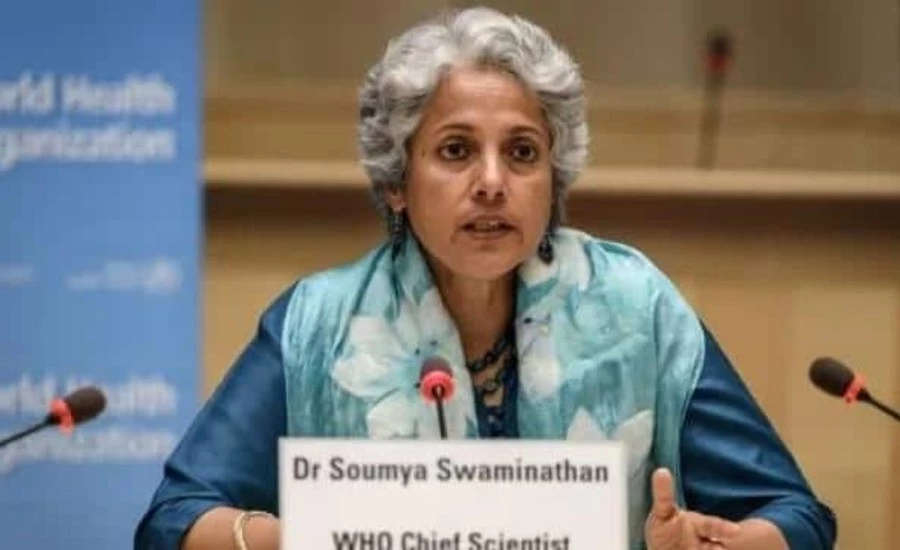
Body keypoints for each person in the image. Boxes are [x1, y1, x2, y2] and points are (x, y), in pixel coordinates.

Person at [135, 6, 836, 550]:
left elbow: (797, 518)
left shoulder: (635, 307)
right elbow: (173, 523)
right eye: (456, 150)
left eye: (523, 153)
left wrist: (727, 544)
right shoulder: (319, 322)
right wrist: (314, 536)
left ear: (554, 180)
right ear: (397, 182)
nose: (493, 182)